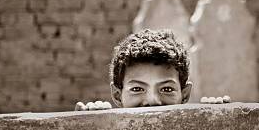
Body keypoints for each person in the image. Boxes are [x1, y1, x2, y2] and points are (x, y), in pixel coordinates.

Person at [75, 29, 229, 110]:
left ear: (185, 95)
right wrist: (87, 126)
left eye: (167, 89)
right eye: (137, 88)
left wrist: (220, 118)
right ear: (117, 95)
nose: (153, 101)